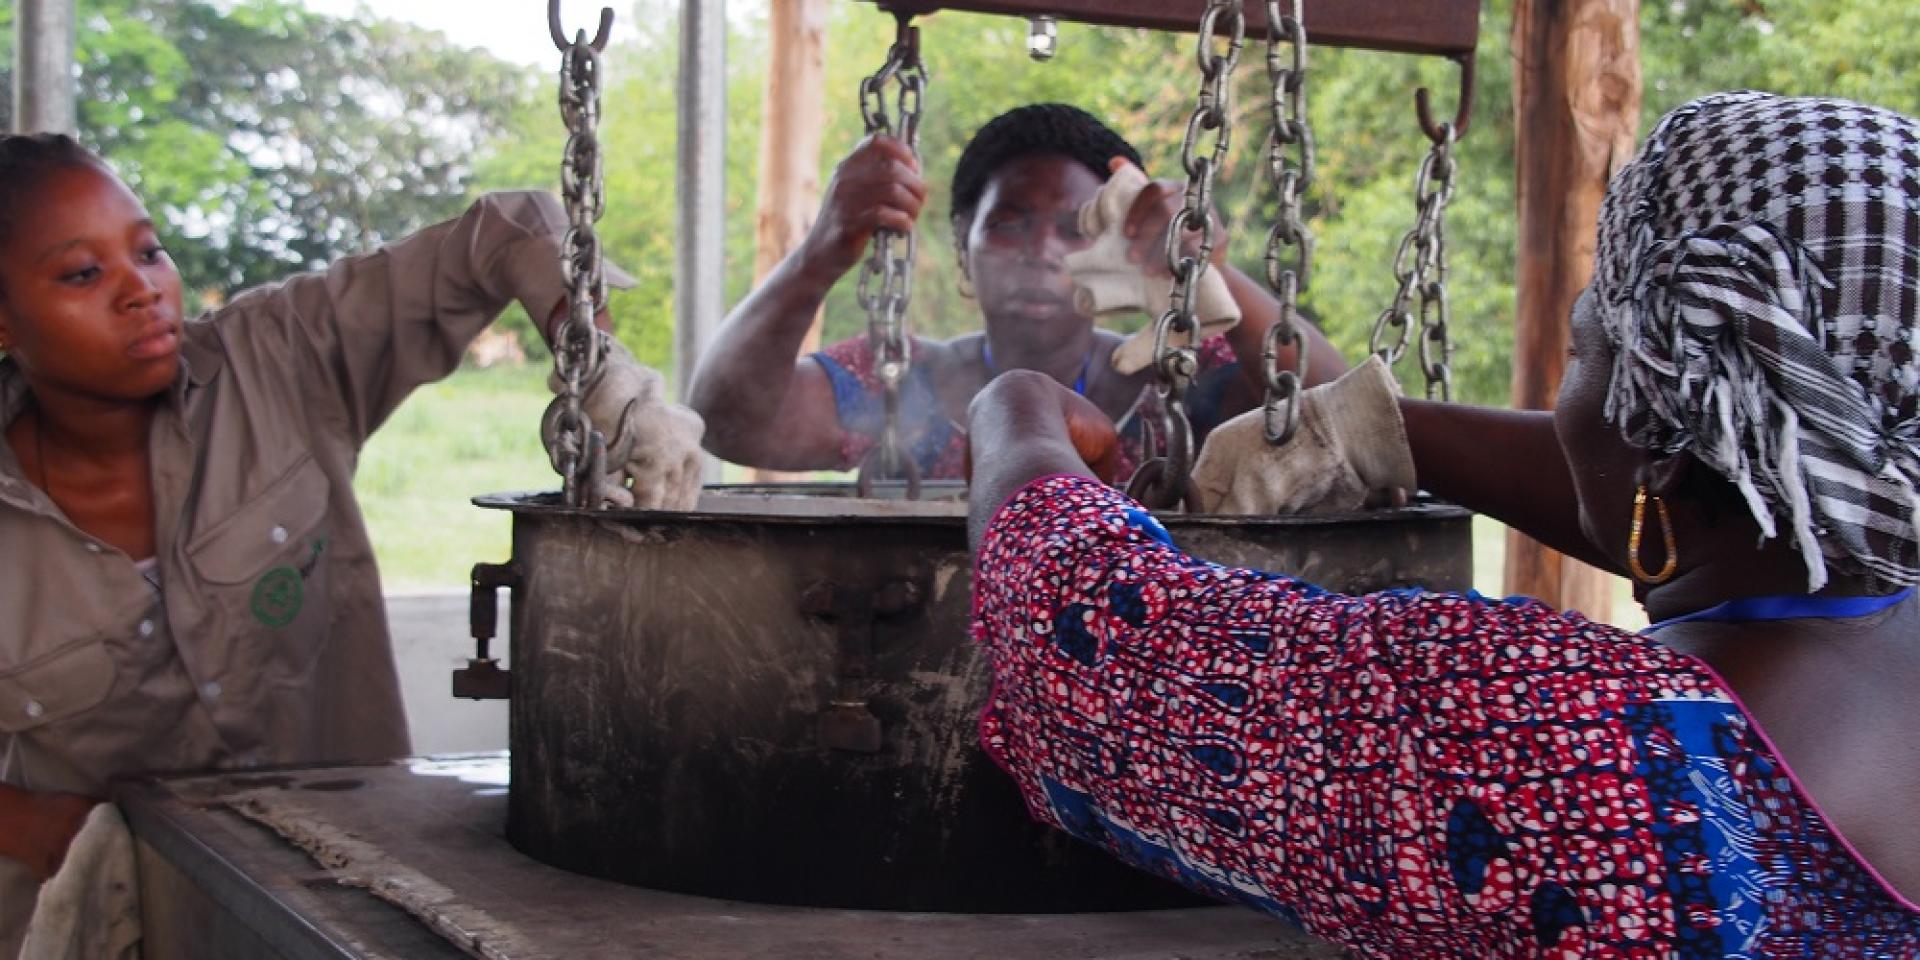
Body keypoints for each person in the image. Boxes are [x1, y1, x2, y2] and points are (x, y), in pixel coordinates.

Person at [964, 92, 1920, 957]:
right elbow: (1718, 487)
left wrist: (1015, 417)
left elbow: (1084, 649)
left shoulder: (1562, 745)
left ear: (1662, 443)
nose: (1566, 391)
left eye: (1585, 346)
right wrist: (1373, 428)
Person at [0, 133, 700, 952]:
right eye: (84, 274)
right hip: (96, 923)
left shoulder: (280, 359)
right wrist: (64, 830)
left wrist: (604, 374)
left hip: (345, 911)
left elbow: (511, 230)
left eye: (149, 252)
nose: (143, 291)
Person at [688, 103, 1346, 481]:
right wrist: (819, 252)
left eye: (1074, 228)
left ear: (1128, 254)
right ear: (963, 254)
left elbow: (1339, 417)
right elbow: (729, 420)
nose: (1042, 251)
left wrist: (1207, 271)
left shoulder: (1181, 382)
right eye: (1009, 224)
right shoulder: (899, 381)